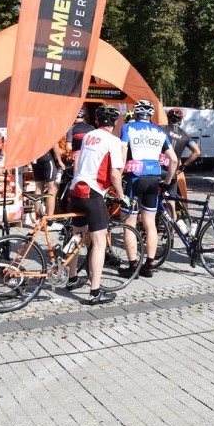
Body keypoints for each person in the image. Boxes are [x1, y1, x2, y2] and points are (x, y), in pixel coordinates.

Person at [65, 105, 128, 305]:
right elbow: (115, 173)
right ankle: (95, 292)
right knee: (99, 242)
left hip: (77, 189)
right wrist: (121, 195)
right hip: (93, 192)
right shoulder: (114, 141)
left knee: (77, 234)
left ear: (98, 121)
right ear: (115, 122)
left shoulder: (88, 137)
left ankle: (72, 278)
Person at [119, 99, 178, 278]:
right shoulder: (159, 131)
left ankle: (132, 267)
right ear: (150, 115)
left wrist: (117, 178)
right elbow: (174, 160)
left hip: (134, 178)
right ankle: (149, 265)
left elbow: (122, 156)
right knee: (150, 224)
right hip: (154, 178)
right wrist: (167, 181)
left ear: (136, 114)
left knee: (129, 223)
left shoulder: (128, 127)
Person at [161, 107, 201, 228]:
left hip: (158, 168)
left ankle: (148, 230)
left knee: (150, 200)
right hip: (172, 170)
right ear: (181, 120)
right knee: (171, 202)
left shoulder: (160, 129)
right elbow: (197, 152)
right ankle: (172, 232)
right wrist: (184, 165)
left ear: (168, 118)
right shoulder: (185, 136)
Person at [31, 145, 67, 230]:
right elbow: (54, 143)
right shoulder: (47, 130)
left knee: (38, 188)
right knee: (52, 189)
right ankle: (49, 222)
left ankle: (38, 220)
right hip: (46, 156)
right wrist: (59, 160)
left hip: (34, 156)